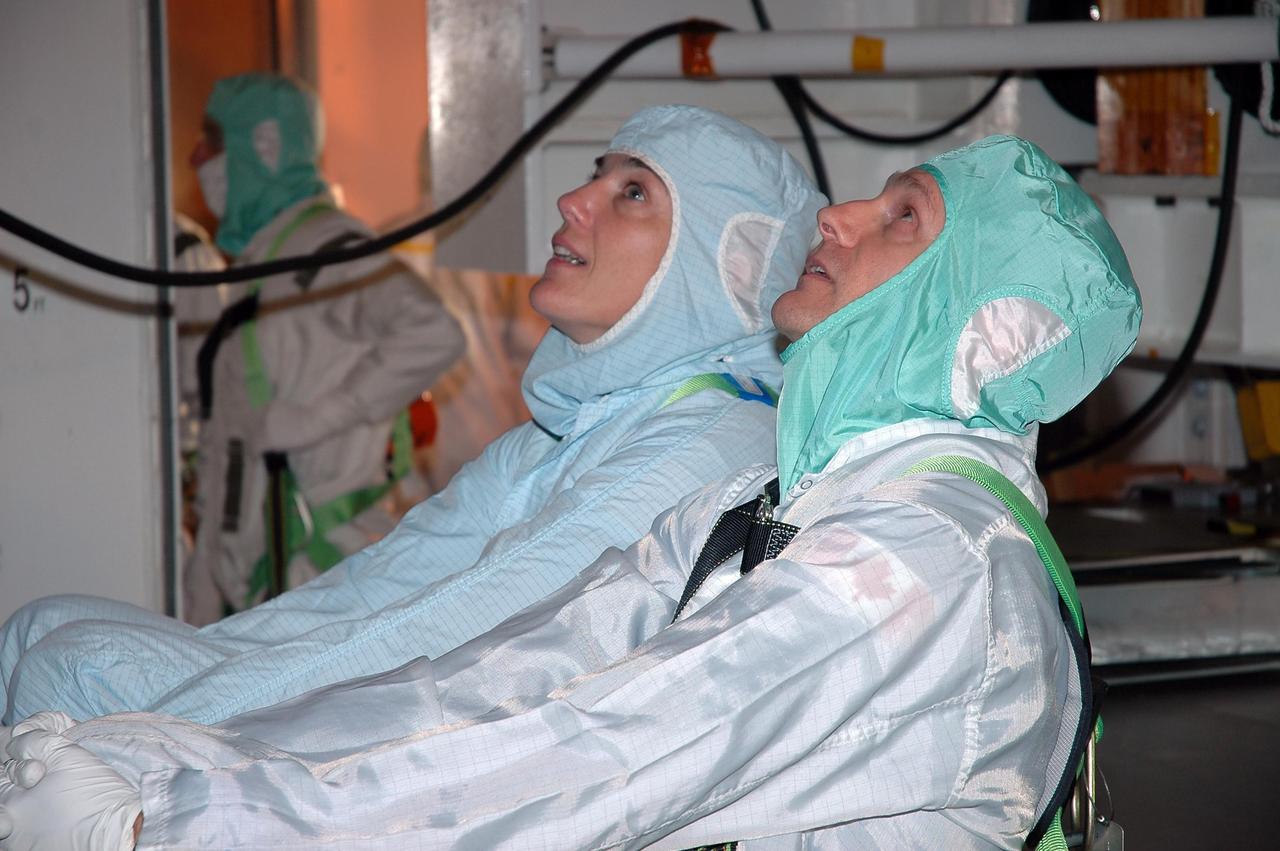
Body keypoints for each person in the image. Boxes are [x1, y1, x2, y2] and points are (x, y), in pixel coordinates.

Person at [0, 135, 1140, 849]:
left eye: (902, 219)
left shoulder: (920, 560)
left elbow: (599, 753)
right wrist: (171, 755)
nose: (837, 218)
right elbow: (494, 677)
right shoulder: (778, 499)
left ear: (980, 322)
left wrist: (182, 823)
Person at [0, 104, 825, 726]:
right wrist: (210, 668)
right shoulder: (585, 428)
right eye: (597, 175)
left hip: (434, 747)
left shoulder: (694, 447)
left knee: (70, 673)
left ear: (725, 263)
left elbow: (444, 632)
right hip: (391, 684)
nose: (574, 199)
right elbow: (370, 593)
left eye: (632, 192)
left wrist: (158, 733)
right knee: (48, 629)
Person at [183, 72, 465, 622]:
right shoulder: (266, 264)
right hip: (255, 585)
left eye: (214, 141)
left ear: (264, 146)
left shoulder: (331, 251)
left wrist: (320, 417)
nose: (196, 158)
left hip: (319, 580)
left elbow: (433, 333)